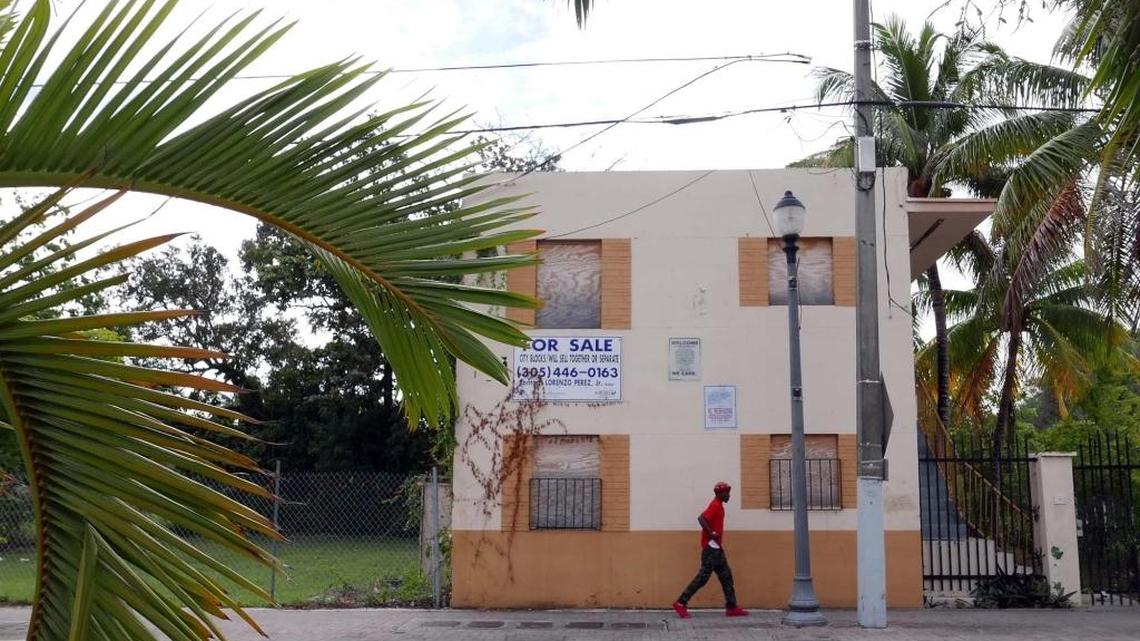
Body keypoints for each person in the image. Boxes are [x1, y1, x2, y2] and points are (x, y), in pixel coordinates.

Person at [672, 481, 749, 618]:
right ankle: (680, 603)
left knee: (726, 576)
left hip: (717, 548)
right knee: (702, 578)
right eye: (727, 493)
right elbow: (701, 519)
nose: (729, 495)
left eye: (729, 492)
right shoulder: (714, 506)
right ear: (720, 493)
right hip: (711, 549)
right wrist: (711, 533)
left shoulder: (719, 506)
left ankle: (731, 608)